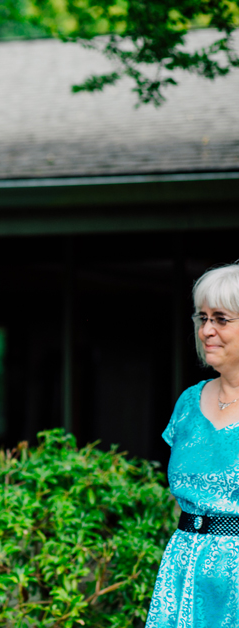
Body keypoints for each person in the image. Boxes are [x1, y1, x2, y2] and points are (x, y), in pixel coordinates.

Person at [147, 263, 239, 627]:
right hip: (185, 567)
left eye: (221, 319)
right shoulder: (188, 402)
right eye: (202, 318)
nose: (206, 331)